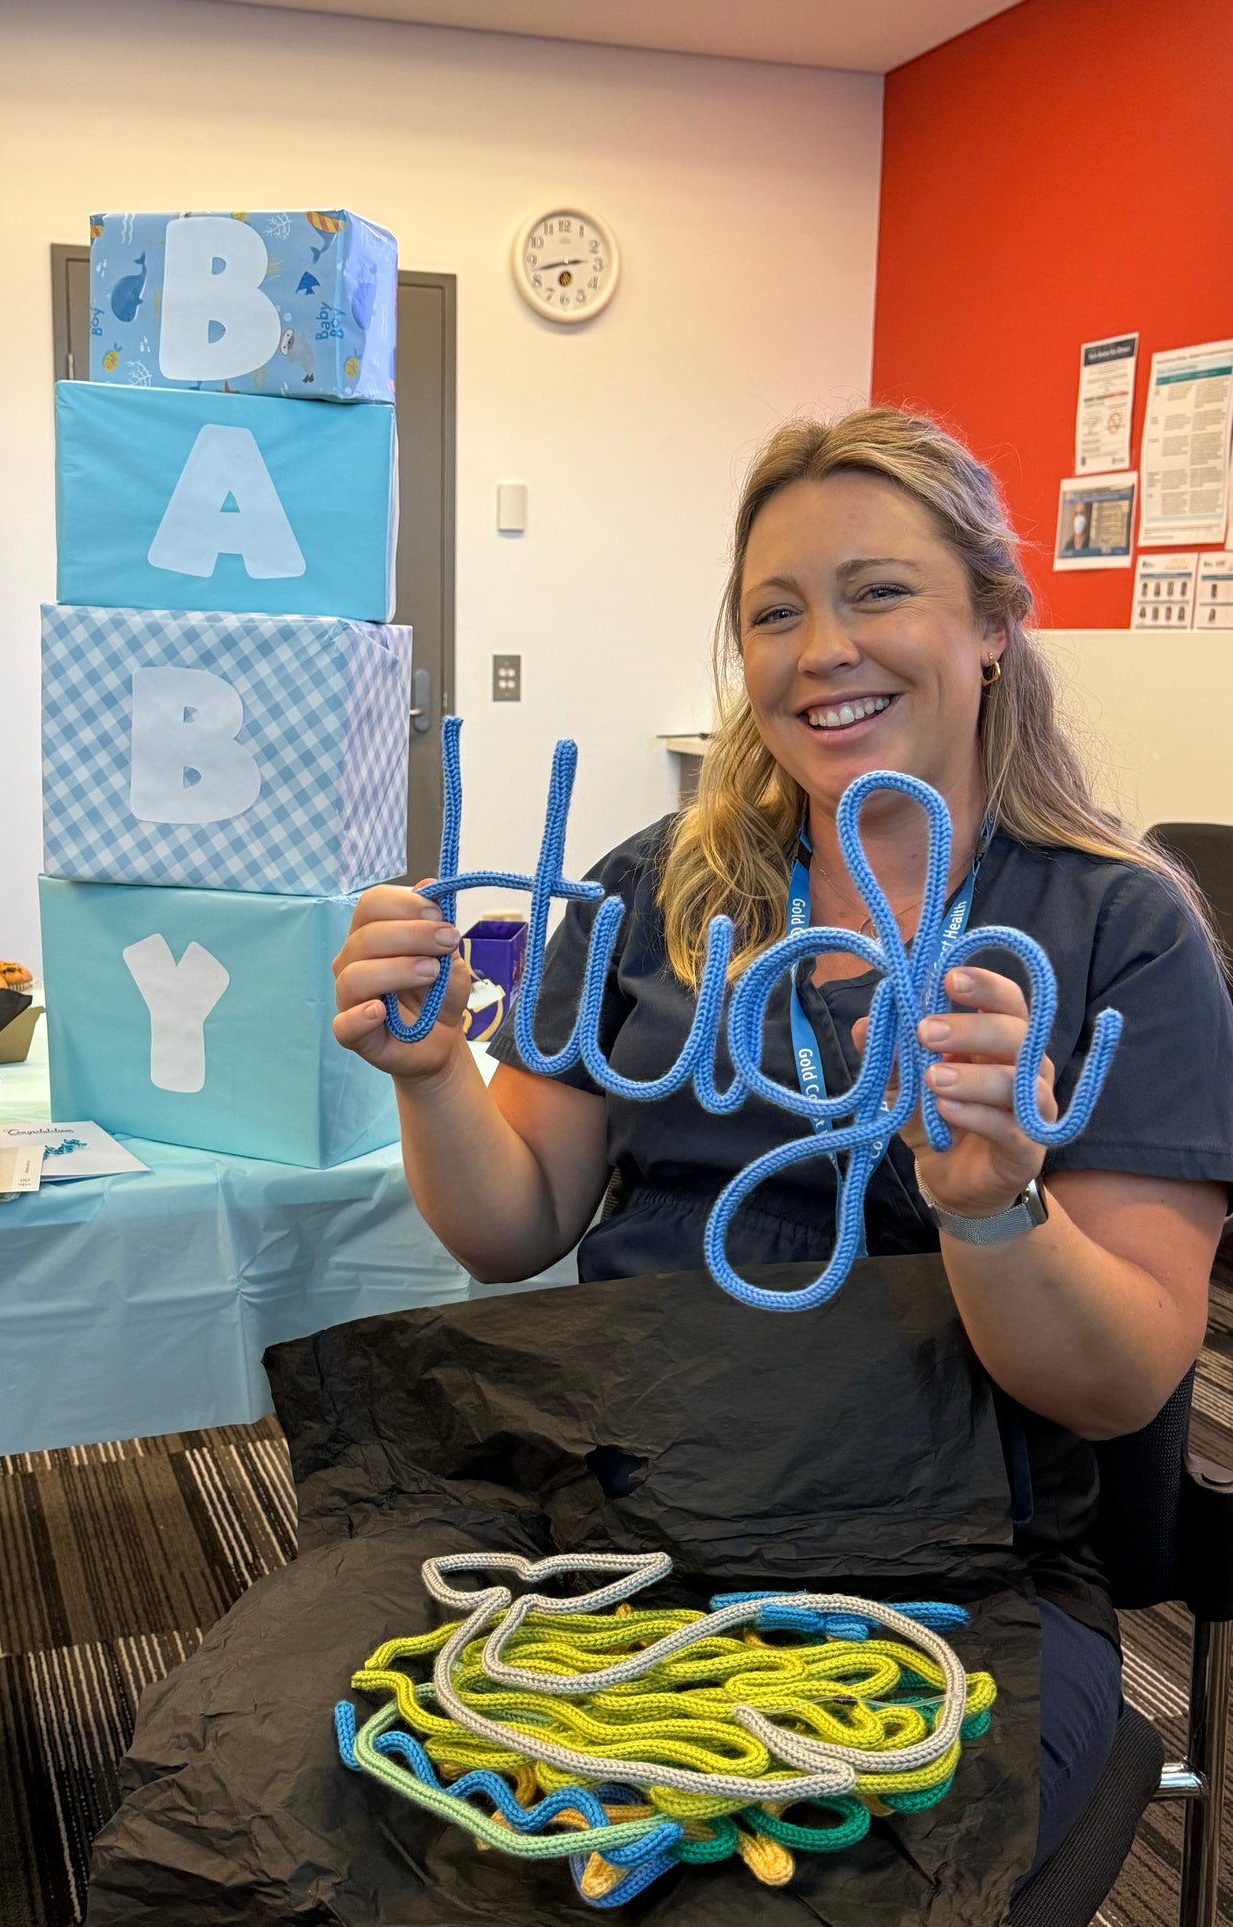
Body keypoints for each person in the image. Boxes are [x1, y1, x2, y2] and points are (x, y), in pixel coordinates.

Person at [331, 407, 1233, 1875]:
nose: (820, 650)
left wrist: (997, 1208)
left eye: (877, 592)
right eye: (773, 611)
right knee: (380, 1829)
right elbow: (511, 1223)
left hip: (944, 1564)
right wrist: (430, 1075)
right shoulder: (650, 888)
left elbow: (1122, 1377)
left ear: (995, 618)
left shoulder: (1112, 929)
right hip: (622, 1505)